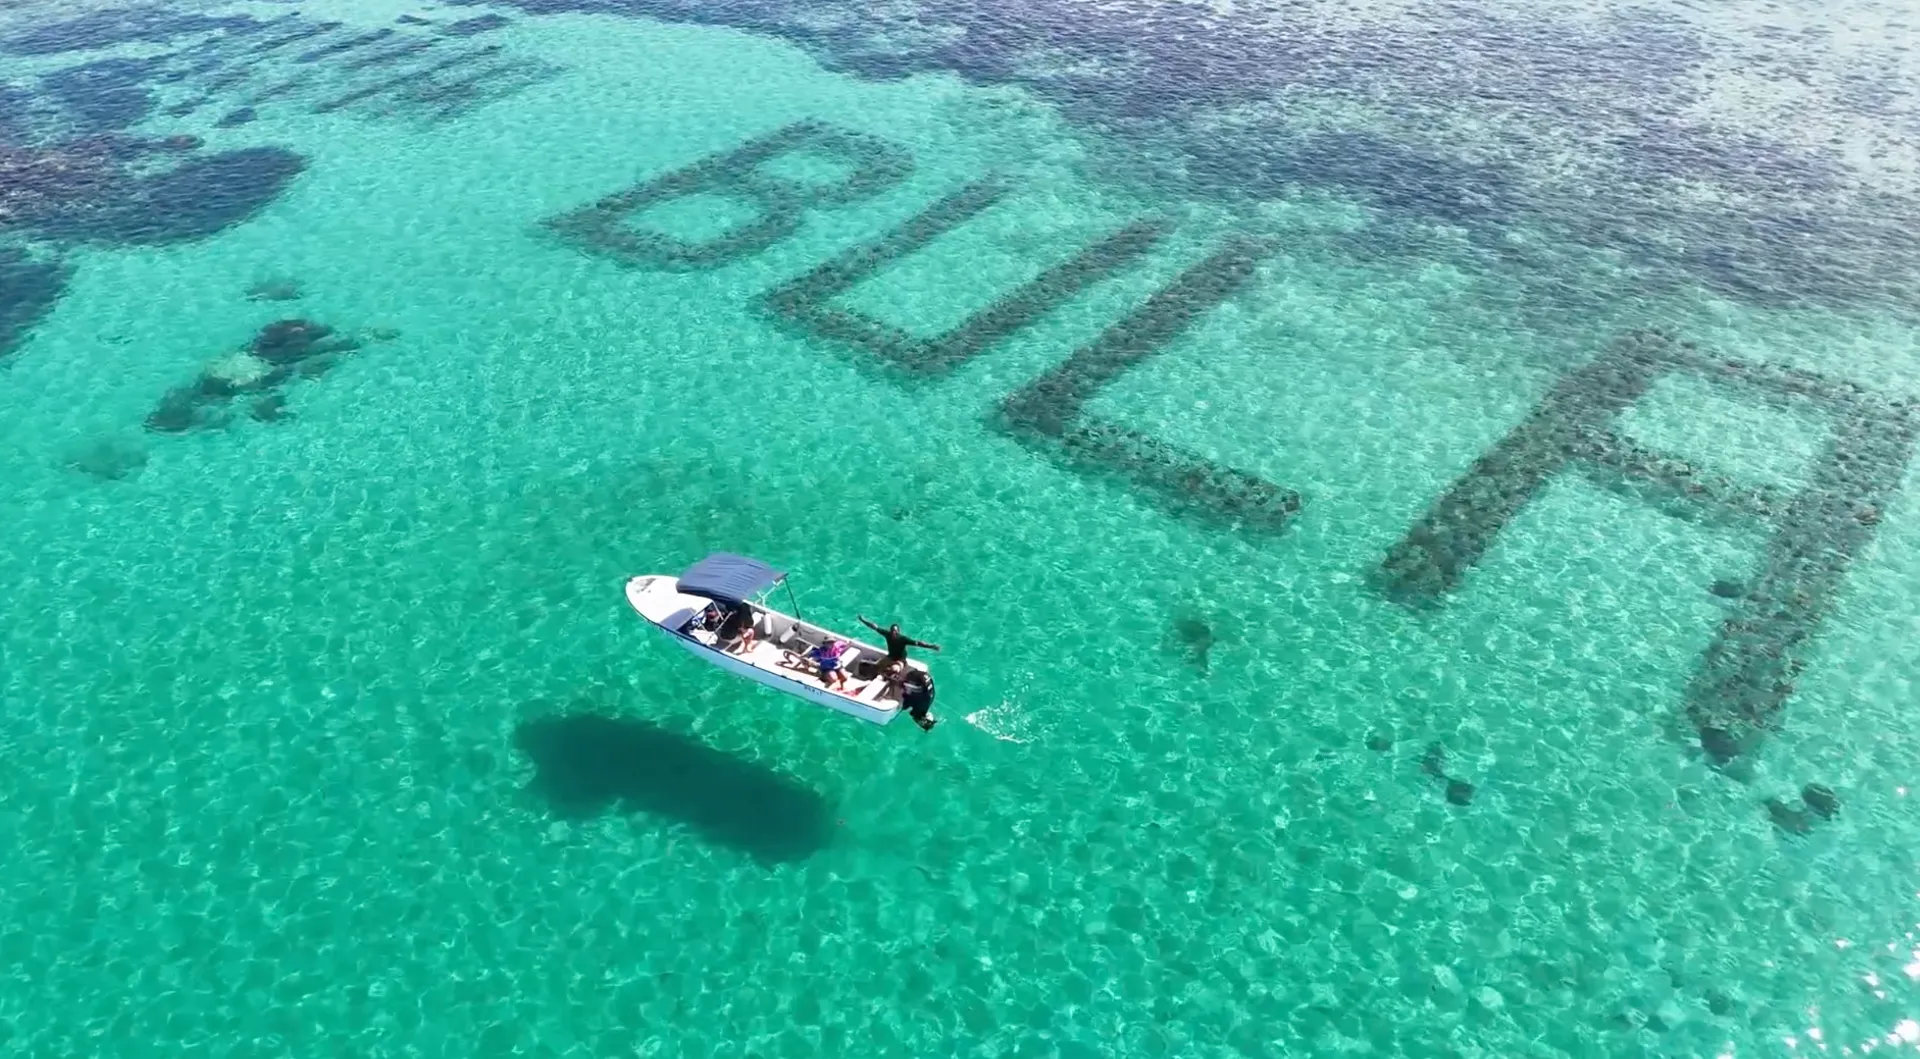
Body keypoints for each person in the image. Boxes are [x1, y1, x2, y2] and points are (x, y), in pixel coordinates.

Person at [856, 615, 940, 666]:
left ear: (898, 631)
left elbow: (918, 643)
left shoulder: (903, 639)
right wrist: (863, 620)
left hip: (901, 659)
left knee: (895, 669)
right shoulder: (887, 634)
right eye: (892, 630)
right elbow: (874, 627)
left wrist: (931, 646)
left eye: (895, 631)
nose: (893, 632)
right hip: (891, 656)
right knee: (878, 666)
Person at [898, 667, 937, 731]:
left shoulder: (928, 703)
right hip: (912, 677)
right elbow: (906, 701)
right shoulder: (919, 707)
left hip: (920, 675)